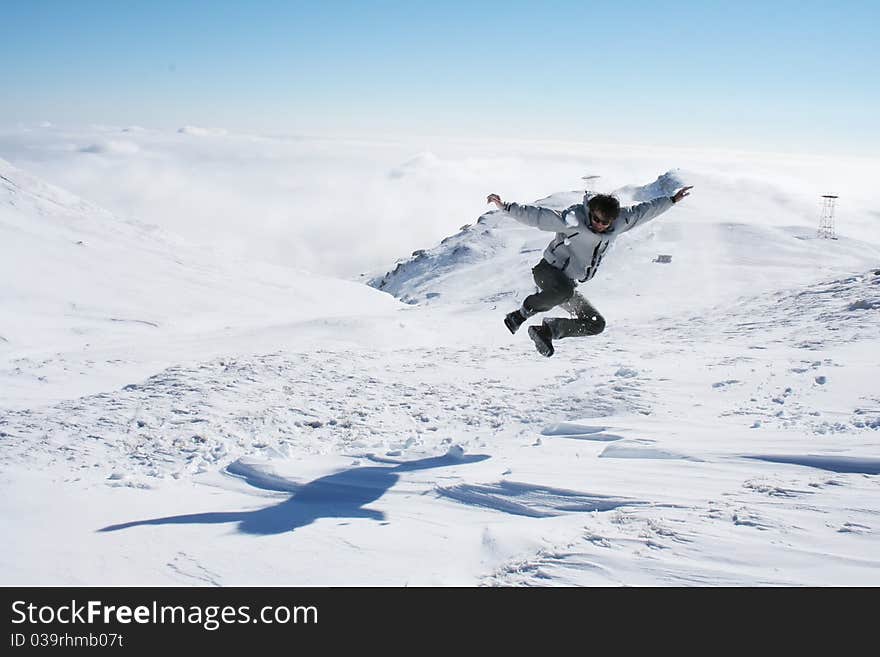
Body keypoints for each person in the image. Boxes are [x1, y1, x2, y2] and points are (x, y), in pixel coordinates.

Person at [486, 184, 693, 357]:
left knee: (596, 324)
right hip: (547, 271)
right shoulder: (573, 220)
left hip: (566, 285)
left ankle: (547, 330)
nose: (600, 225)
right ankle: (519, 315)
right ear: (590, 213)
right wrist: (505, 206)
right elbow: (538, 217)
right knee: (563, 292)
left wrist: (672, 200)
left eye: (605, 222)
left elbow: (644, 211)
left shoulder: (621, 221)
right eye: (596, 219)